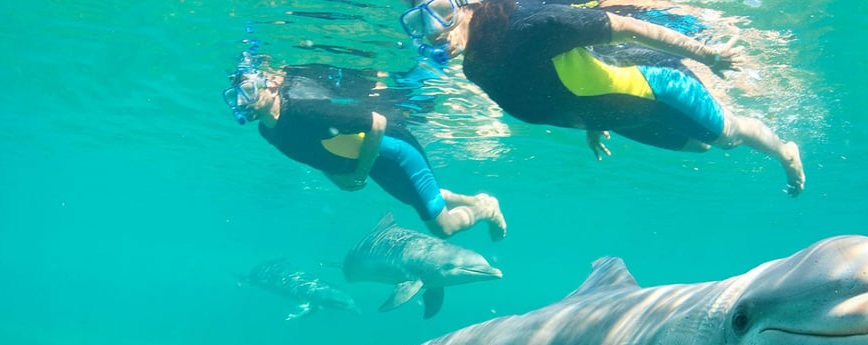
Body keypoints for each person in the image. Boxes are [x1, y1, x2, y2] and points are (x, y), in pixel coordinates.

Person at [398, 0, 806, 196]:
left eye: (438, 11)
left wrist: (707, 54)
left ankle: (785, 151)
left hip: (652, 84)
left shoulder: (530, 26)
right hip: (614, 116)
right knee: (697, 148)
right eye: (416, 21)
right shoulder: (474, 67)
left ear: (467, 4)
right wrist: (590, 123)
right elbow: (549, 90)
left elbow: (628, 25)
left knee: (727, 136)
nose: (433, 30)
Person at [222, 53, 507, 240]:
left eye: (249, 90)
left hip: (396, 152)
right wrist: (334, 177)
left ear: (271, 84)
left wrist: (359, 174)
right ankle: (473, 200)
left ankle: (486, 208)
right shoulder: (266, 130)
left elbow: (377, 123)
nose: (243, 101)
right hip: (372, 161)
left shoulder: (305, 111)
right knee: (415, 196)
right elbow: (310, 155)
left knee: (442, 228)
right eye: (237, 96)